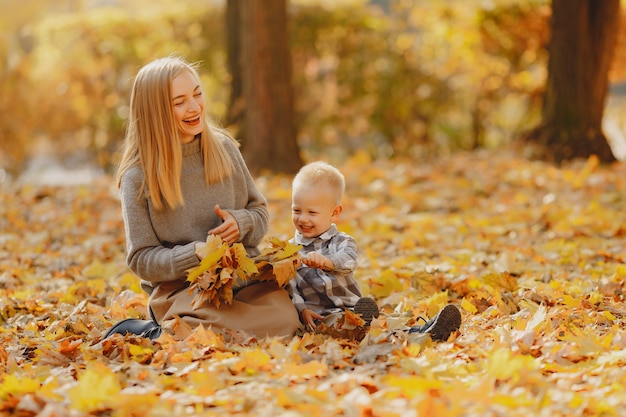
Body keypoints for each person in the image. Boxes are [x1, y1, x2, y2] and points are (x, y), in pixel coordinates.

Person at [104, 56, 300, 340]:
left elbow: (259, 213)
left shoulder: (224, 149)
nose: (194, 107)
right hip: (185, 292)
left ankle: (187, 331)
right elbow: (141, 258)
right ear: (155, 111)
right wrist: (193, 254)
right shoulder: (138, 177)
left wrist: (241, 222)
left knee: (286, 321)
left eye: (197, 94)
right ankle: (150, 330)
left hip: (242, 283)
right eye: (179, 101)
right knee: (202, 331)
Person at [288, 161, 462, 342]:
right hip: (321, 315)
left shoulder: (342, 241)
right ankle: (421, 334)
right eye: (297, 210)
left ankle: (424, 330)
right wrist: (302, 309)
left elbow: (348, 261)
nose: (302, 218)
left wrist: (327, 262)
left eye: (312, 212)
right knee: (341, 326)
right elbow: (291, 286)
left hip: (352, 307)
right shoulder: (292, 250)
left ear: (334, 213)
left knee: (379, 324)